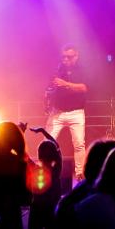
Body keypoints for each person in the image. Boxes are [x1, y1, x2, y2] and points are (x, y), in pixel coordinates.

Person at [45, 44, 88, 180]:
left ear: (76, 56)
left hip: (76, 113)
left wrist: (65, 84)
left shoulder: (82, 70)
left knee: (79, 144)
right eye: (63, 57)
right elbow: (50, 88)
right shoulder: (58, 69)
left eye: (69, 57)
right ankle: (45, 171)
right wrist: (47, 99)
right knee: (47, 142)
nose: (65, 59)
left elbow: (84, 88)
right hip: (57, 112)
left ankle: (80, 173)